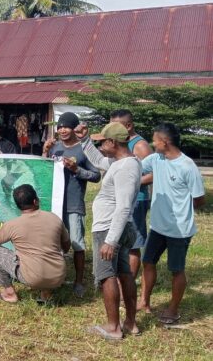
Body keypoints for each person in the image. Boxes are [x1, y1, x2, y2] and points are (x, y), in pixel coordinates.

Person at [76, 122, 141, 340]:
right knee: (124, 273)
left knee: (107, 276)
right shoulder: (119, 161)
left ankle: (113, 327)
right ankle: (130, 323)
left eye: (102, 141)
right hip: (117, 228)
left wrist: (110, 241)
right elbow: (99, 160)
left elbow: (123, 206)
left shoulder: (126, 168)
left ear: (113, 142)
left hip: (109, 229)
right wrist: (84, 140)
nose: (100, 144)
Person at [137, 123, 205, 325]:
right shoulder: (156, 159)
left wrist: (180, 209)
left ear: (165, 142)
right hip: (157, 226)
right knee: (148, 262)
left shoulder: (187, 166)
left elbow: (199, 199)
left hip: (179, 230)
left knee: (176, 270)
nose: (152, 143)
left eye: (155, 139)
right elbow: (137, 167)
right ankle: (144, 302)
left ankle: (173, 310)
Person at [42, 112, 101, 297]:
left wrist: (77, 170)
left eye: (66, 126)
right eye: (59, 127)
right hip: (54, 205)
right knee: (54, 243)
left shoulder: (82, 149)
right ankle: (55, 279)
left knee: (77, 244)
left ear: (75, 128)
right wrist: (45, 152)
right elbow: (43, 171)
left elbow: (96, 175)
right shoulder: (55, 148)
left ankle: (79, 281)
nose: (62, 130)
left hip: (74, 205)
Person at [0, 184, 70, 303]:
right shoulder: (54, 218)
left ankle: (9, 293)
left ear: (18, 206)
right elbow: (66, 247)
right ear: (36, 201)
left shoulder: (13, 225)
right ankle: (46, 293)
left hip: (32, 278)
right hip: (58, 277)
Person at [109, 109, 153, 279]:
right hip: (120, 199)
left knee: (133, 244)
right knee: (120, 239)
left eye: (116, 126)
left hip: (137, 200)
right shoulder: (119, 141)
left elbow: (153, 174)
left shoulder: (140, 145)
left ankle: (129, 282)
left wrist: (132, 183)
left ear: (128, 125)